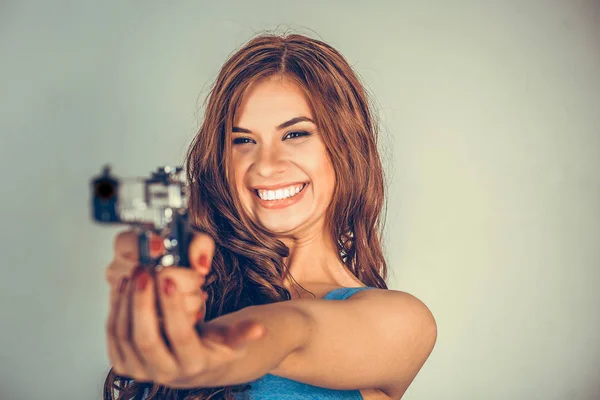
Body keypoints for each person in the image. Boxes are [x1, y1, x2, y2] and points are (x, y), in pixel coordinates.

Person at [102, 32, 437, 400]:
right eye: (243, 140)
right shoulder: (200, 288)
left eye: (295, 134)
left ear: (346, 146)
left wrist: (209, 345)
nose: (266, 165)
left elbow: (296, 332)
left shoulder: (402, 321)